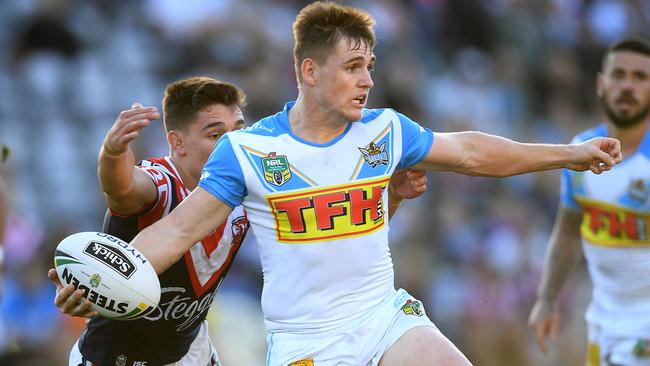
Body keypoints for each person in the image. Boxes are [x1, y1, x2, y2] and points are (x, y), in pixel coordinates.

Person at [126, 2, 622, 365]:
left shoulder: (385, 130)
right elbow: (175, 233)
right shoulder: (247, 150)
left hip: (383, 316)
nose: (367, 81)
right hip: (307, 340)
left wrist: (568, 154)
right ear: (309, 71)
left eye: (370, 67)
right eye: (352, 67)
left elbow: (470, 152)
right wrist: (106, 274)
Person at [48, 75, 425, 366]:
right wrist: (112, 153)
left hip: (190, 351)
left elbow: (339, 238)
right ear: (176, 143)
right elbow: (124, 189)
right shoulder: (162, 183)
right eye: (216, 134)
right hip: (113, 357)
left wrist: (390, 197)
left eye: (239, 130)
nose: (233, 143)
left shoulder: (249, 185)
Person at [528, 37, 650, 366]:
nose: (628, 86)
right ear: (601, 84)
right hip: (603, 324)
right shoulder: (581, 150)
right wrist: (547, 299)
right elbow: (568, 232)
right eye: (619, 74)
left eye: (640, 77)